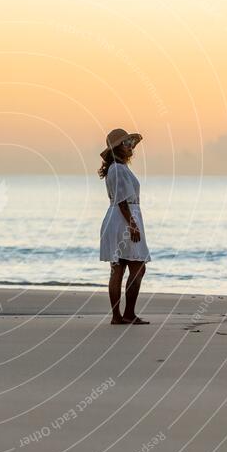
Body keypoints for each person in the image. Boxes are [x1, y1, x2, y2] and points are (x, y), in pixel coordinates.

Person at [98, 128, 151, 325]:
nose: (131, 147)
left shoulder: (118, 168)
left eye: (131, 144)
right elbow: (121, 200)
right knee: (137, 267)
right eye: (126, 144)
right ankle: (125, 314)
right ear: (118, 147)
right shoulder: (118, 169)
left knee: (119, 269)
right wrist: (133, 225)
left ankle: (120, 316)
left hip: (120, 218)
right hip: (124, 219)